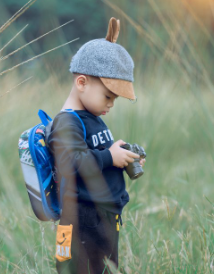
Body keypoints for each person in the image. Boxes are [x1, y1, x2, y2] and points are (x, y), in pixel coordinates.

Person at [47, 17, 146, 274]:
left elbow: (95, 156)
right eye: (108, 96)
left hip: (103, 219)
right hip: (79, 221)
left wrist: (122, 158)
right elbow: (72, 162)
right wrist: (109, 157)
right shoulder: (67, 122)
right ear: (82, 83)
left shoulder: (92, 117)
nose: (111, 104)